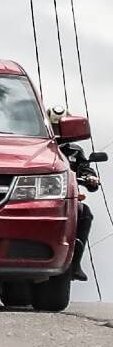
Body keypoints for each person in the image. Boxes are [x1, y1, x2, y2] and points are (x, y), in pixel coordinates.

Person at [50, 107, 100, 282]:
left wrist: (91, 177)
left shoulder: (74, 150)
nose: (57, 132)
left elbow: (85, 168)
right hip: (44, 199)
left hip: (68, 200)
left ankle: (75, 263)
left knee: (84, 213)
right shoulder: (41, 147)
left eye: (60, 127)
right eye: (53, 127)